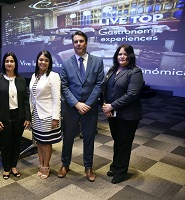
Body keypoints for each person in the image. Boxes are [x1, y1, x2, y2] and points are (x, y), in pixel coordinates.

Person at [58, 31, 105, 182]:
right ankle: (65, 165)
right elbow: (64, 87)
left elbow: (99, 85)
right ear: (73, 44)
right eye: (76, 41)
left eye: (81, 41)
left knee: (89, 138)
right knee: (68, 138)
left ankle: (88, 167)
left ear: (86, 43)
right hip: (71, 108)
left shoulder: (97, 61)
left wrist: (87, 104)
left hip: (89, 109)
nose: (78, 44)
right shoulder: (66, 63)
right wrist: (77, 104)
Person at [102, 44, 143, 184]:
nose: (122, 56)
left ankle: (121, 172)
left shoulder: (135, 72)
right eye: (120, 54)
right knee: (117, 141)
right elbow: (107, 89)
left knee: (124, 144)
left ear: (130, 56)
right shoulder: (113, 70)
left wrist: (111, 106)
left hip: (128, 116)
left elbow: (132, 94)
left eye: (126, 54)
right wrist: (106, 105)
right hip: (114, 114)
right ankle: (115, 166)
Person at [0, 52, 31, 180]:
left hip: (19, 116)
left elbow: (25, 100)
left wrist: (27, 117)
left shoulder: (20, 80)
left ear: (15, 63)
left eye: (12, 61)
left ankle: (14, 166)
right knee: (6, 143)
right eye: (7, 61)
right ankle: (6, 168)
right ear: (4, 63)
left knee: (16, 142)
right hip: (4, 117)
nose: (9, 63)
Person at [29, 50, 61, 179]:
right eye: (41, 59)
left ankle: (46, 166)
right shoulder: (34, 76)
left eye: (46, 60)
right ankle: (40, 163)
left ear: (49, 63)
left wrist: (55, 117)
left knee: (46, 142)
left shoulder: (53, 76)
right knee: (39, 142)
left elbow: (56, 98)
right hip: (36, 114)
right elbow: (32, 97)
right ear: (37, 61)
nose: (43, 62)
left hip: (47, 115)